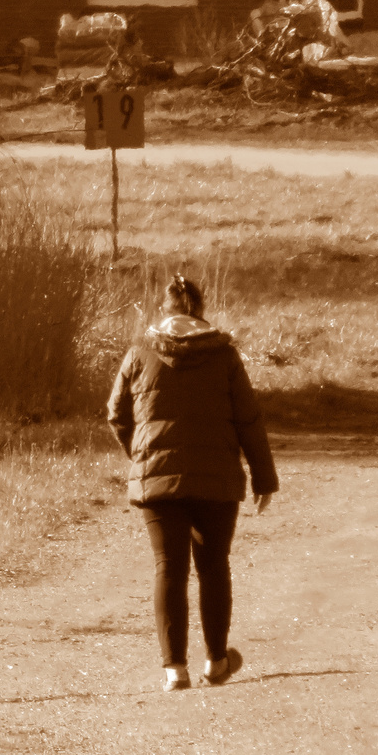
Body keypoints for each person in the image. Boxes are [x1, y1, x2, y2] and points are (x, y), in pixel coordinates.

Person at [107, 275, 279, 691]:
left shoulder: (139, 353)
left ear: (164, 310)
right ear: (200, 311)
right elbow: (248, 418)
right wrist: (263, 476)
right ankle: (217, 661)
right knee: (214, 566)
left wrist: (143, 456)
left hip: (156, 482)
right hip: (217, 478)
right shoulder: (224, 356)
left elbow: (116, 413)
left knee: (169, 567)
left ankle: (174, 669)